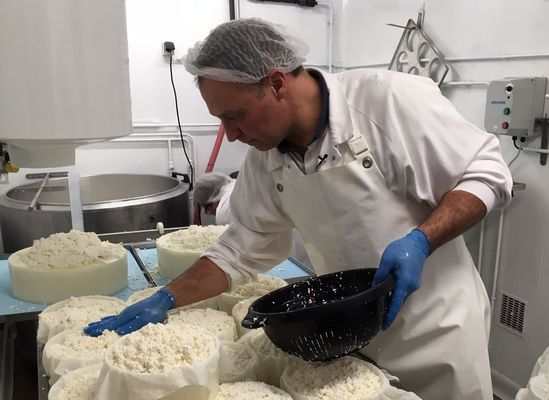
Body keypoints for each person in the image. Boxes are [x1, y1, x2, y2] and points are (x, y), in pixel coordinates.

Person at [86, 18, 512, 400]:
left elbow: (486, 173)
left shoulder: (386, 102)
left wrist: (422, 239)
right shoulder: (265, 158)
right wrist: (168, 296)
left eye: (235, 116)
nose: (230, 135)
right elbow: (239, 249)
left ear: (275, 83)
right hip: (348, 340)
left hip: (434, 335)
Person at [194, 171, 311, 266]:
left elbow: (236, 252)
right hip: (305, 247)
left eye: (207, 210)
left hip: (286, 259)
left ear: (209, 203)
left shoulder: (224, 210)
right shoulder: (239, 186)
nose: (210, 213)